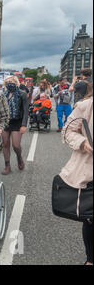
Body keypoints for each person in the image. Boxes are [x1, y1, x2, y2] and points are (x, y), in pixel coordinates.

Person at [59, 91, 93, 265]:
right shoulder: (86, 106)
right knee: (91, 218)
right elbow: (67, 130)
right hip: (90, 170)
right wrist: (83, 143)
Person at [1, 76, 29, 175]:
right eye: (7, 82)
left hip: (17, 122)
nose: (9, 83)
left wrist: (24, 125)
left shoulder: (22, 94)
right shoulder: (3, 95)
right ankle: (7, 165)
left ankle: (19, 158)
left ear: (16, 83)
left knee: (16, 145)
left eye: (11, 81)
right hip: (5, 122)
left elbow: (26, 111)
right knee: (5, 144)